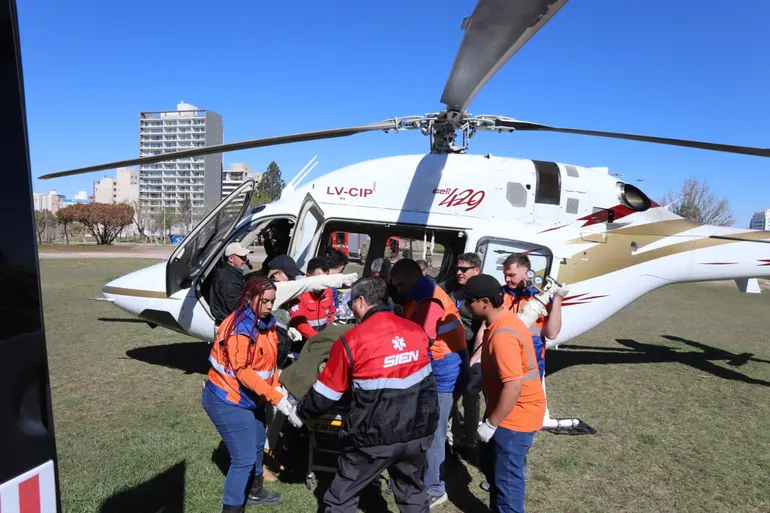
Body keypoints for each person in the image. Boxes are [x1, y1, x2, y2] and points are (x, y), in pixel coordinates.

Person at [288, 276, 439, 513]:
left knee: (340, 499)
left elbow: (326, 393)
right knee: (411, 493)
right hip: (418, 430)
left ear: (360, 301)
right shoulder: (416, 331)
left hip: (373, 437)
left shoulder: (351, 341)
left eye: (350, 305)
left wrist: (300, 412)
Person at [201, 275, 292, 512]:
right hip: (228, 398)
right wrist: (275, 397)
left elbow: (267, 363)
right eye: (265, 302)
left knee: (256, 444)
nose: (270, 307)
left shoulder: (266, 322)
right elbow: (242, 371)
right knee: (243, 459)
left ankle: (255, 491)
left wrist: (275, 385)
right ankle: (232, 508)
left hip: (252, 397)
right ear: (250, 298)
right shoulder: (239, 328)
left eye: (273, 302)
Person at [457, 273, 545, 513]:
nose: (465, 305)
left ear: (484, 301)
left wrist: (492, 424)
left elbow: (514, 385)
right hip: (507, 411)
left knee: (507, 480)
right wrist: (482, 379)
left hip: (515, 417)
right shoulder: (502, 320)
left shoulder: (502, 334)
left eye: (469, 301)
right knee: (496, 473)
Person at [390, 259, 469, 508]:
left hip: (445, 368)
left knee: (434, 428)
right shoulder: (419, 293)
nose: (398, 289)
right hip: (438, 365)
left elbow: (421, 339)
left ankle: (435, 486)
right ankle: (421, 472)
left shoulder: (430, 299)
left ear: (413, 278)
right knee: (424, 423)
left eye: (401, 284)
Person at [438, 253, 483, 456]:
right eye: (457, 268)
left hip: (473, 351)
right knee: (450, 395)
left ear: (476, 270)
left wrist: (476, 356)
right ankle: (451, 435)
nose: (458, 272)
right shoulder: (451, 287)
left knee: (471, 396)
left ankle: (471, 438)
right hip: (452, 352)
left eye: (463, 269)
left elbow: (486, 326)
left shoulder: (484, 291)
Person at [500, 253, 567, 380]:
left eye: (511, 275)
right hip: (504, 361)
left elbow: (552, 334)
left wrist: (558, 298)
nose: (507, 279)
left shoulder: (541, 298)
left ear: (527, 273)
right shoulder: (499, 295)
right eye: (505, 275)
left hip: (531, 367)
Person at [288, 257, 336, 342]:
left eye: (325, 280)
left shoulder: (328, 291)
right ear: (307, 276)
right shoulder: (299, 294)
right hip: (301, 342)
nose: (322, 284)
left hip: (321, 340)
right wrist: (318, 339)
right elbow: (299, 322)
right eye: (318, 280)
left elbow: (330, 315)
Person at [210, 242, 253, 326]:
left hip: (229, 322)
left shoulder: (231, 273)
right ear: (231, 258)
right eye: (242, 257)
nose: (245, 259)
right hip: (229, 325)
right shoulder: (229, 278)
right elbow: (237, 306)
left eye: (245, 256)